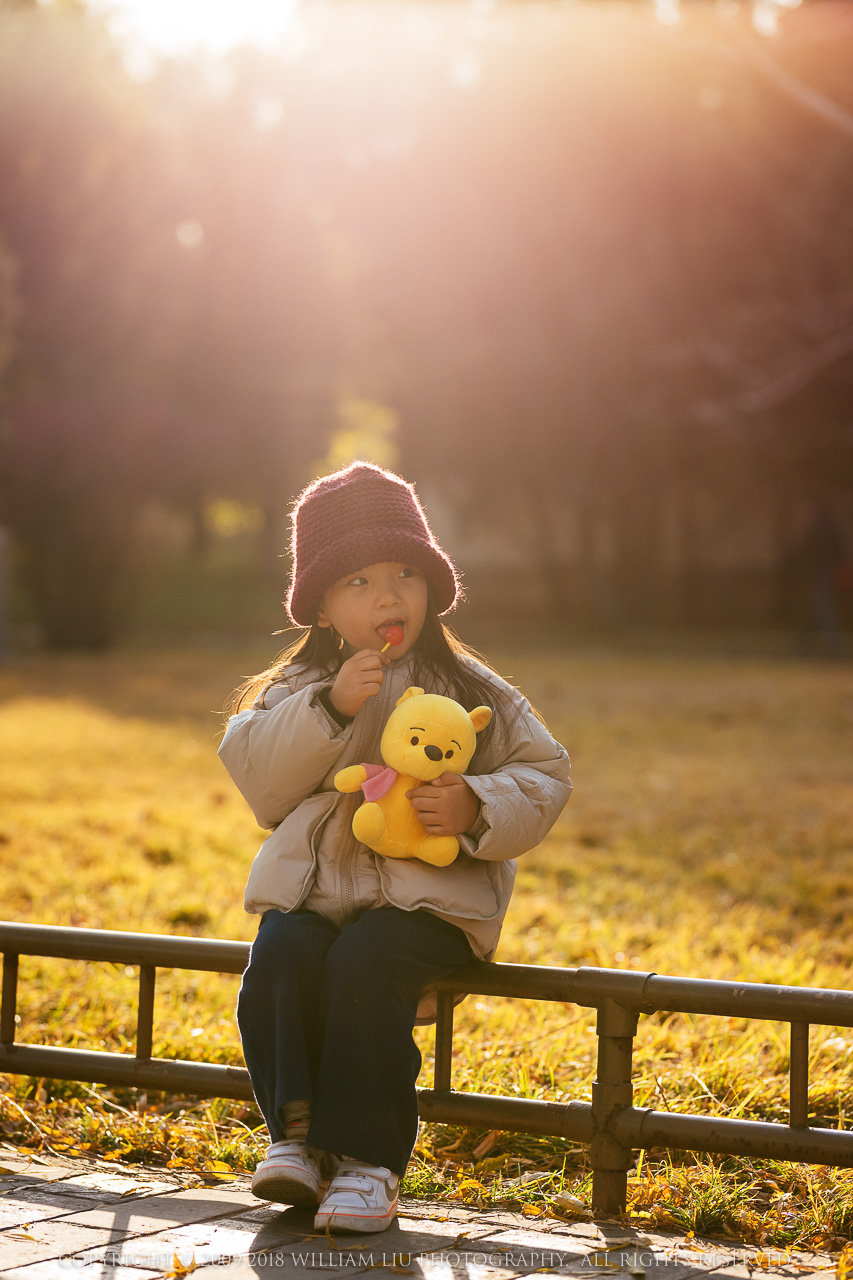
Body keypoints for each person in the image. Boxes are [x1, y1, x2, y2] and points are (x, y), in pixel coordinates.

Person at [219, 461, 572, 1234]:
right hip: (317, 892)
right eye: (358, 582)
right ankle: (298, 1138)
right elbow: (258, 781)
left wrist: (477, 801)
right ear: (318, 603)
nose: (387, 597)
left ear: (434, 586)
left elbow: (545, 773)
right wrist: (325, 706)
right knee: (279, 955)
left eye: (405, 574)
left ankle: (370, 1162)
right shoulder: (299, 685)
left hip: (427, 901)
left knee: (365, 965)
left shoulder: (471, 686)